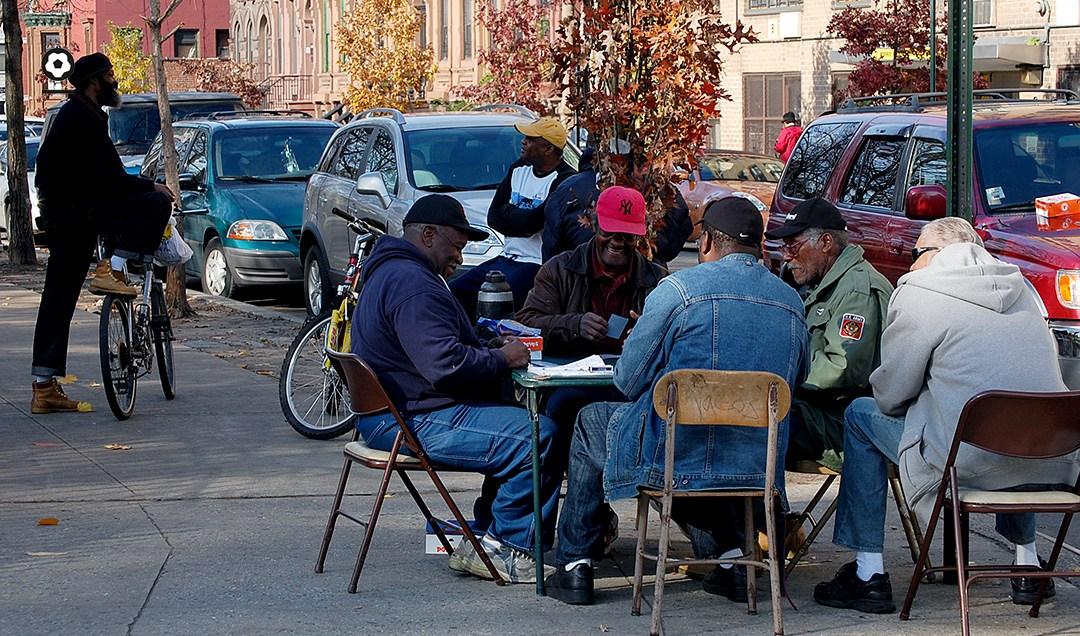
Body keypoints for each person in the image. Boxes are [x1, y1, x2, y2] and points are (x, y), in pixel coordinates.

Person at [545, 196, 809, 605]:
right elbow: (796, 379)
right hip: (756, 462)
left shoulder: (680, 290)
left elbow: (629, 381)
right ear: (758, 247)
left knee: (590, 420)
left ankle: (574, 564)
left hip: (677, 456)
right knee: (700, 447)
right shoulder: (791, 302)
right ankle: (732, 559)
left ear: (705, 243)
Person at [814, 218, 1080, 613]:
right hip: (1046, 458)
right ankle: (1027, 565)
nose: (910, 264)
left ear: (935, 255)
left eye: (915, 253)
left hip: (964, 462)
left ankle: (868, 573)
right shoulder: (1022, 288)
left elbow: (892, 394)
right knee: (1017, 422)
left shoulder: (921, 292)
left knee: (859, 415)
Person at [350, 194, 564, 584]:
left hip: (394, 412)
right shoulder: (413, 283)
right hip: (408, 419)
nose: (460, 259)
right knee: (538, 435)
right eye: (456, 246)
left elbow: (433, 350)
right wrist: (504, 359)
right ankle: (505, 549)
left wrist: (485, 347)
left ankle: (488, 533)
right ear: (428, 235)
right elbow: (444, 365)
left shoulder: (392, 272)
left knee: (515, 420)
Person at [29, 52, 174, 414]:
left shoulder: (77, 113)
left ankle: (43, 386)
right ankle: (114, 266)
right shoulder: (84, 118)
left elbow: (99, 177)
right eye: (109, 74)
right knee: (156, 205)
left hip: (66, 212)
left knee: (58, 296)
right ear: (94, 81)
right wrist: (150, 187)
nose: (115, 80)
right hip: (78, 212)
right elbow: (110, 177)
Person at [766, 197, 892, 469]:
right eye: (784, 246)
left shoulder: (857, 289)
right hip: (819, 412)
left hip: (843, 424)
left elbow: (841, 368)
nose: (786, 255)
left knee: (760, 422)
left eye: (793, 245)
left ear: (825, 243)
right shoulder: (823, 281)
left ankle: (764, 509)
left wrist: (780, 366)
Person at [517, 185, 666, 359]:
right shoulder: (558, 270)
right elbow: (525, 326)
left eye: (628, 235)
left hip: (632, 378)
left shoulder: (659, 281)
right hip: (568, 375)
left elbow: (678, 336)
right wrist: (574, 325)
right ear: (594, 225)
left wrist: (650, 334)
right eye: (609, 232)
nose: (617, 242)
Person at [449, 117, 575, 318]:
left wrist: (513, 215)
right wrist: (523, 220)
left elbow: (533, 223)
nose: (523, 142)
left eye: (530, 138)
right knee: (456, 291)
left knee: (501, 304)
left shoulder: (565, 179)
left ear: (548, 149)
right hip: (506, 257)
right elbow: (494, 217)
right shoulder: (518, 168)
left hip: (535, 263)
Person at [541, 144, 692, 266]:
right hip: (582, 283)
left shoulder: (658, 191)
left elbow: (679, 227)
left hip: (638, 284)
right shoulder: (571, 189)